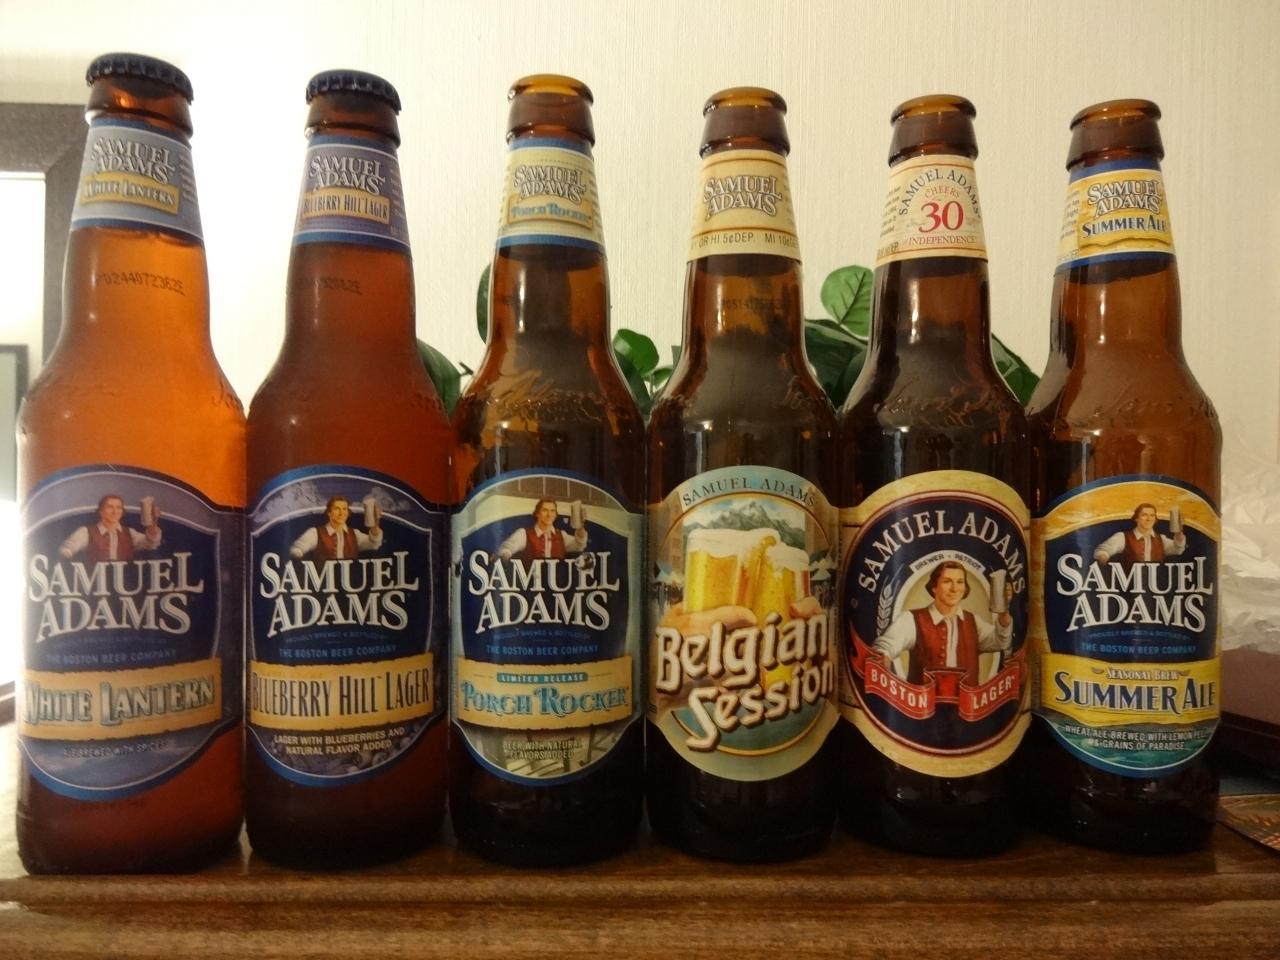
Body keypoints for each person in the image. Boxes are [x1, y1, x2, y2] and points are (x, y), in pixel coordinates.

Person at [872, 560, 1011, 686]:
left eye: (960, 582)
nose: (954, 589)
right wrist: (886, 673)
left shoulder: (973, 621)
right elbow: (884, 648)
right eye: (947, 581)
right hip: (922, 704)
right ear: (934, 587)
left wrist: (1003, 611)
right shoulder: (912, 619)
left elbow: (1001, 642)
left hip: (968, 703)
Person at [59, 494, 162, 562]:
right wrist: (66, 559)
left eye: (118, 508)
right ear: (101, 511)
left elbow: (151, 544)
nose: (115, 511)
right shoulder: (86, 532)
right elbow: (67, 549)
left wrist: (153, 525)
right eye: (110, 507)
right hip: (95, 584)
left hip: (126, 584)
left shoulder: (130, 533)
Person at [290, 495, 382, 560]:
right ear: (329, 512)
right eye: (337, 509)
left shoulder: (355, 534)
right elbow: (298, 548)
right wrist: (298, 552)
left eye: (344, 509)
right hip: (324, 581)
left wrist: (375, 525)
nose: (341, 513)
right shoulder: (316, 533)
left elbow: (374, 544)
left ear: (348, 512)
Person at [1093, 502, 1185, 566]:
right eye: (1144, 515)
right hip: (1130, 585)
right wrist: (1103, 557)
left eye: (1152, 515)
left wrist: (1179, 535)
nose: (1148, 519)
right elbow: (1103, 551)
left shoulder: (1161, 539)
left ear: (1155, 519)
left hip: (1157, 584)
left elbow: (1178, 549)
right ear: (1136, 518)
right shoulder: (1123, 537)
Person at [497, 498, 587, 561]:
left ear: (555, 515)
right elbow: (506, 548)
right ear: (537, 513)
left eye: (552, 511)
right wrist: (505, 555)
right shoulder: (524, 534)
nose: (549, 514)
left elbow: (579, 546)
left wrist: (580, 528)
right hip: (532, 581)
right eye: (545, 510)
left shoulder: (562, 536)